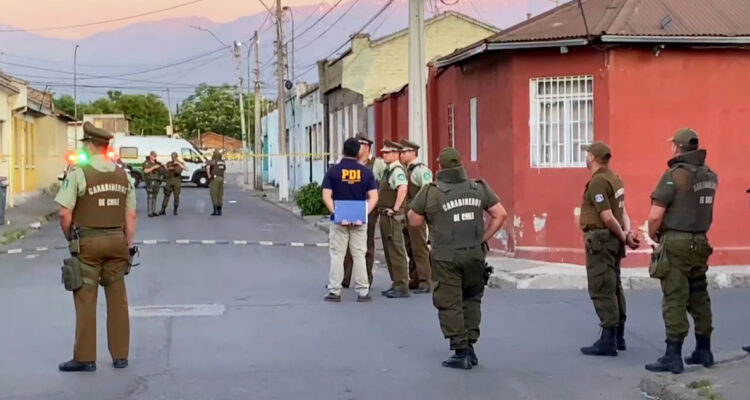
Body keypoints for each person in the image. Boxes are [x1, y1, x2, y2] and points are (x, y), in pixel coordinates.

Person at [408, 147, 507, 369]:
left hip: (446, 256)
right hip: (474, 253)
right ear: (460, 164)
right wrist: (483, 238)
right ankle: (470, 346)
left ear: (440, 166)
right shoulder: (478, 187)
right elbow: (501, 214)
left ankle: (460, 351)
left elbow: (413, 220)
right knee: (472, 298)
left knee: (450, 301)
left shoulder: (430, 192)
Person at [54, 122, 137, 372]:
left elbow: (64, 213)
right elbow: (130, 216)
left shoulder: (79, 172)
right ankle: (121, 355)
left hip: (88, 245)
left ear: (90, 145)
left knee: (86, 300)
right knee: (118, 301)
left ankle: (85, 358)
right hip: (116, 243)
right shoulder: (124, 175)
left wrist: (71, 238)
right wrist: (125, 243)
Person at [645, 128, 718, 374]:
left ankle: (672, 355)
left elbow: (656, 215)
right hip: (700, 241)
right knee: (699, 295)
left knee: (675, 297)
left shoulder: (673, 176)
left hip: (677, 242)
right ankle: (704, 350)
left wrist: (653, 233)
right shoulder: (710, 175)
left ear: (677, 147)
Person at [577, 142, 639, 357]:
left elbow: (607, 216)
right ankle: (618, 335)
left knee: (601, 285)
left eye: (587, 153)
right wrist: (627, 233)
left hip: (601, 239)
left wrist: (624, 236)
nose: (585, 156)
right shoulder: (615, 178)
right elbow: (623, 212)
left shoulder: (598, 182)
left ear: (592, 157)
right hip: (613, 239)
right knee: (614, 286)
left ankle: (608, 339)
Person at [322, 138, 379, 302]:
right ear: (358, 152)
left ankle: (335, 290)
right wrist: (363, 213)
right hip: (360, 221)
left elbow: (326, 196)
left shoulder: (333, 171)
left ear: (343, 151)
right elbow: (374, 197)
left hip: (340, 220)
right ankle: (363, 292)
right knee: (360, 255)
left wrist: (337, 213)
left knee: (338, 254)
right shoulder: (366, 173)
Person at [342, 133, 385, 288]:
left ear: (366, 147)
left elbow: (385, 183)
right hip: (349, 206)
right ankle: (344, 278)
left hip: (369, 208)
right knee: (345, 244)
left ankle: (366, 278)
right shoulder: (349, 163)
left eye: (359, 145)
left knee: (367, 244)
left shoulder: (377, 164)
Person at [399, 139, 434, 293]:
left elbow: (427, 189)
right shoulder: (407, 169)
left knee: (419, 248)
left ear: (413, 153)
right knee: (410, 247)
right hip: (408, 213)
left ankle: (426, 281)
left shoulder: (421, 170)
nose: (402, 155)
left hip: (417, 214)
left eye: (405, 152)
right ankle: (415, 278)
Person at [377, 140, 410, 298]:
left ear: (396, 154)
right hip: (385, 214)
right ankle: (396, 282)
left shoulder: (397, 170)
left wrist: (396, 208)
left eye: (387, 152)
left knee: (396, 250)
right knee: (390, 250)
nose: (384, 154)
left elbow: (402, 188)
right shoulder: (389, 170)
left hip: (393, 217)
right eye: (383, 152)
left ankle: (402, 284)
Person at [142, 151, 164, 217]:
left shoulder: (157, 163)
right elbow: (145, 171)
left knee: (155, 196)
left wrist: (161, 166)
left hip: (157, 181)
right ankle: (149, 212)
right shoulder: (147, 162)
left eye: (155, 156)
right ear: (150, 155)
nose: (155, 157)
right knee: (150, 196)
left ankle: (154, 211)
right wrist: (154, 167)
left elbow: (162, 171)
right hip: (150, 181)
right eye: (153, 156)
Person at [207, 151, 226, 216]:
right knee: (220, 195)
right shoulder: (222, 162)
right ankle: (220, 210)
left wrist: (209, 175)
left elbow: (207, 167)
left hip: (214, 179)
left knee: (214, 194)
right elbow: (224, 171)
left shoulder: (212, 161)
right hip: (221, 178)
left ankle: (215, 211)